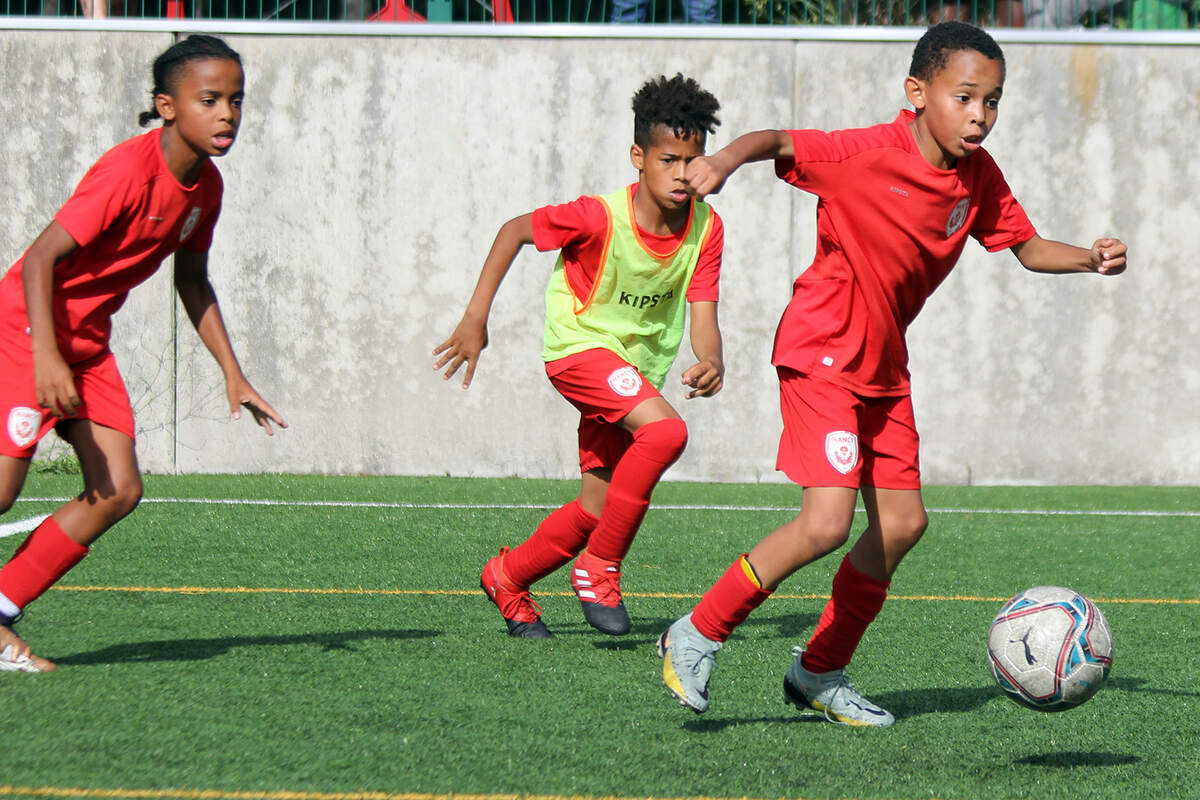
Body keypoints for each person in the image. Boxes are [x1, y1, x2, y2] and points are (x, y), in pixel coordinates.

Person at [657, 21, 1127, 724]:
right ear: (918, 93)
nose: (980, 114)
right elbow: (780, 142)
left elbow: (1024, 247)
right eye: (965, 97)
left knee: (903, 525)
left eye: (993, 101)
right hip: (821, 351)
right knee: (825, 525)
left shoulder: (978, 176)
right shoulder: (866, 151)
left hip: (883, 370)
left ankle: (818, 671)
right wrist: (723, 160)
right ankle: (698, 631)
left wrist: (1088, 258)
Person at [0, 35, 286, 673]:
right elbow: (41, 257)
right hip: (26, 331)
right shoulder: (128, 171)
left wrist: (232, 374)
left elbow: (192, 279)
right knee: (3, 490)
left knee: (118, 489)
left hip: (85, 342)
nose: (226, 114)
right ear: (167, 106)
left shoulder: (205, 188)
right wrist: (46, 357)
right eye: (208, 99)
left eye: (235, 100)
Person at [434, 74, 726, 639]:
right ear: (639, 157)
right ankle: (599, 566)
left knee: (597, 508)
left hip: (633, 375)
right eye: (669, 160)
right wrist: (476, 318)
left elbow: (704, 316)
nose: (683, 174)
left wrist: (711, 359)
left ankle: (508, 578)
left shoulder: (707, 229)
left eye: (693, 161)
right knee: (665, 434)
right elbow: (513, 231)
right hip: (579, 352)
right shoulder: (596, 215)